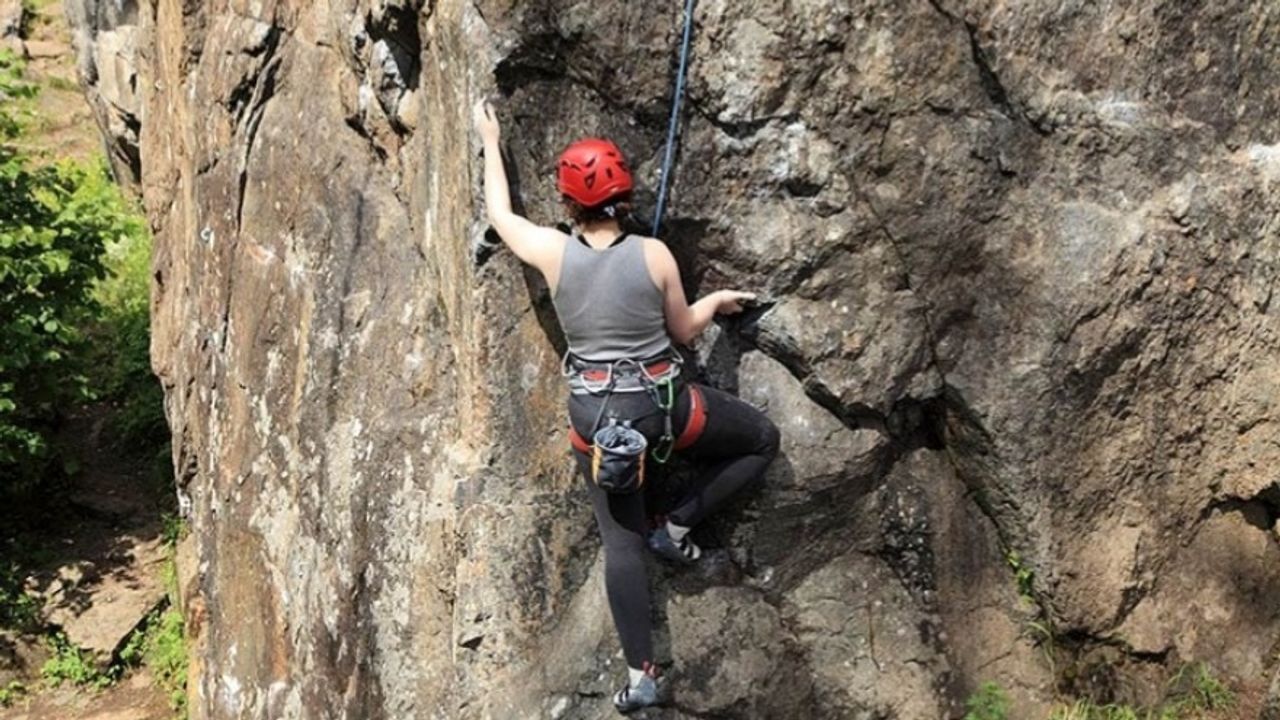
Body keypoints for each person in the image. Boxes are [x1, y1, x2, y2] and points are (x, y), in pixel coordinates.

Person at [473, 100, 781, 713]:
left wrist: (490, 138)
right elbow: (684, 330)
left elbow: (499, 213)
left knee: (620, 544)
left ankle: (643, 675)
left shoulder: (551, 252)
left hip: (596, 423)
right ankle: (678, 525)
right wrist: (716, 298)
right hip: (666, 409)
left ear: (567, 203)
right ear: (624, 194)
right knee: (761, 440)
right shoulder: (654, 254)